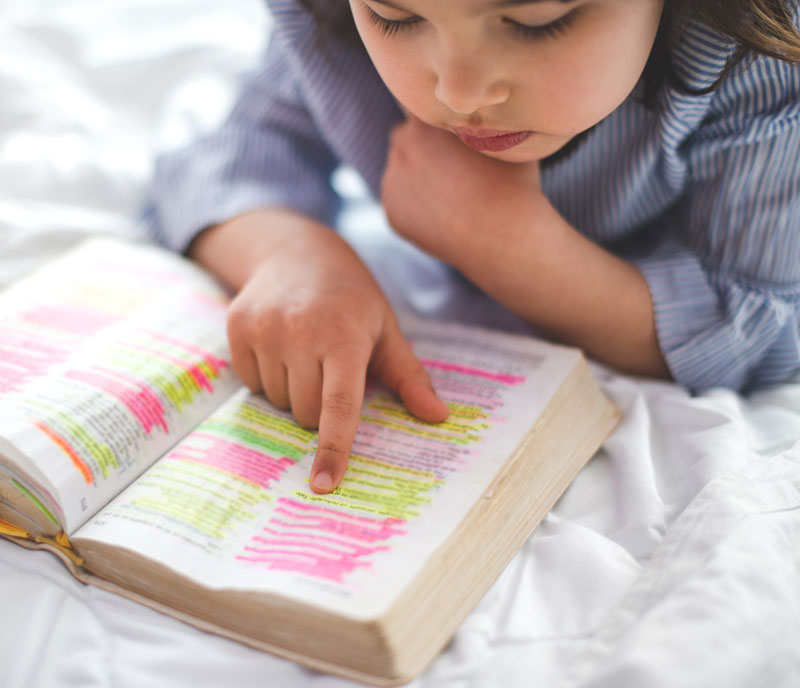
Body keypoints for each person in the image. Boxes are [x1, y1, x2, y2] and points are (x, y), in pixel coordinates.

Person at [144, 0, 800, 493]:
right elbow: (230, 152)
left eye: (537, 21)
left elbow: (760, 325)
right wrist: (288, 253)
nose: (457, 93)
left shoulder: (761, 50)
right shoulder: (324, 15)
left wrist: (510, 250)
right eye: (394, 16)